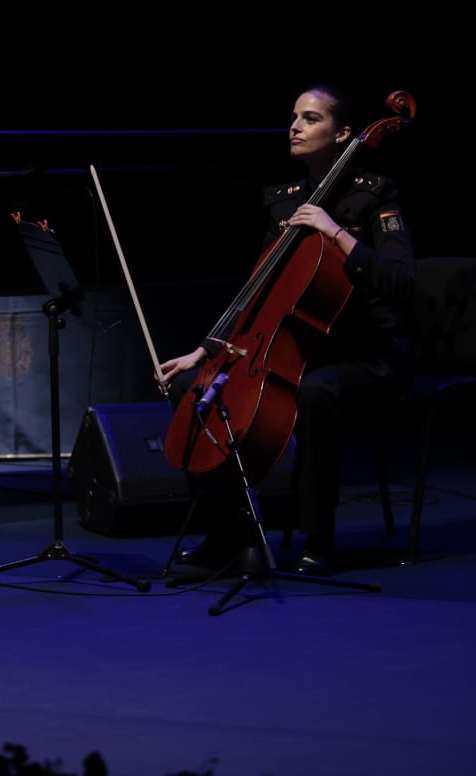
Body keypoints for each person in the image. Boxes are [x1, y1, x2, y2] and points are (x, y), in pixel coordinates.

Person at [158, 83, 416, 576]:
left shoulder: (375, 195)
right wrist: (205, 350)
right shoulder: (285, 203)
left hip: (367, 353)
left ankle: (317, 537)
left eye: (311, 118)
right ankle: (227, 531)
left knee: (316, 393)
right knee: (190, 387)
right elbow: (257, 291)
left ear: (342, 134)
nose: (295, 127)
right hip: (299, 348)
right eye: (294, 117)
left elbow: (401, 282)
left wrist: (334, 232)